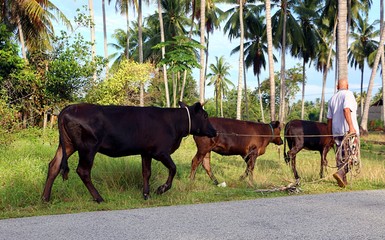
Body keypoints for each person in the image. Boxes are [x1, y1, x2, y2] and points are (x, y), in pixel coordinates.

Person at [326, 78, 360, 188]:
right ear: (348, 86)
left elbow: (329, 120)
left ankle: (342, 181)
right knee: (352, 156)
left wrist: (330, 135)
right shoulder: (348, 94)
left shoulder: (332, 99)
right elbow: (346, 109)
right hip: (347, 131)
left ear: (337, 87)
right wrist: (351, 127)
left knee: (340, 156)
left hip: (336, 132)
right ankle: (340, 173)